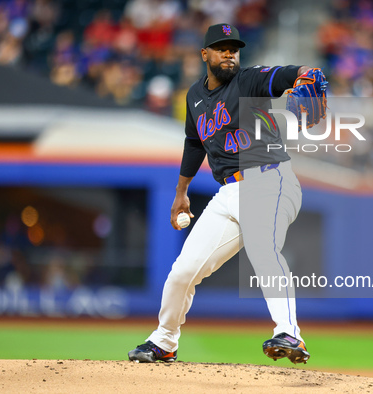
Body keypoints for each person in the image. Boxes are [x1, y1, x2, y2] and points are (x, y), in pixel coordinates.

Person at [129, 23, 318, 365]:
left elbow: (289, 74)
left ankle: (290, 332)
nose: (230, 53)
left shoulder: (250, 80)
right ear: (205, 54)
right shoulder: (194, 97)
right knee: (183, 271)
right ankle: (164, 340)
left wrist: (306, 74)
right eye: (221, 47)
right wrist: (181, 191)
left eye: (234, 48)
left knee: (263, 249)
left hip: (270, 179)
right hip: (228, 193)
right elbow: (192, 142)